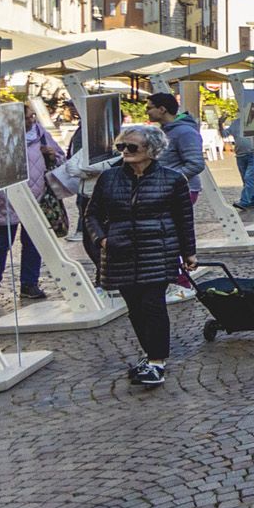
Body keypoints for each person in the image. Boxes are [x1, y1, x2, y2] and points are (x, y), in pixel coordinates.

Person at [84, 123, 198, 386]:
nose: (125, 151)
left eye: (132, 146)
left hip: (158, 250)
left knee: (153, 304)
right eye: (121, 146)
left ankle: (158, 361)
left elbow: (184, 219)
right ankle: (150, 355)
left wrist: (188, 253)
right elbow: (91, 214)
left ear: (151, 149)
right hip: (119, 252)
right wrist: (102, 240)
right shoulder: (109, 177)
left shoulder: (172, 179)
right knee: (134, 308)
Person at [0, 104, 63, 307]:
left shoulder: (40, 133)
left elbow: (61, 157)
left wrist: (52, 155)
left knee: (33, 243)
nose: (31, 120)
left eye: (32, 116)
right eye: (26, 117)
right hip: (2, 201)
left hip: (36, 198)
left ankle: (29, 284)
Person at [145, 92, 205, 198]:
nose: (146, 112)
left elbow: (196, 164)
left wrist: (169, 179)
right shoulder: (166, 130)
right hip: (168, 188)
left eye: (149, 108)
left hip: (182, 190)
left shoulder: (185, 132)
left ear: (162, 109)